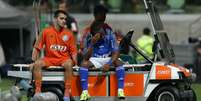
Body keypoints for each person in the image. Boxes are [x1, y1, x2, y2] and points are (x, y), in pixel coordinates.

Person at [79, 5, 125, 101]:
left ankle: (120, 90)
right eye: (102, 14)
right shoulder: (88, 33)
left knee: (119, 62)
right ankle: (85, 92)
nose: (105, 16)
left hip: (108, 58)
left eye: (105, 14)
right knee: (83, 64)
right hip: (95, 59)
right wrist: (92, 43)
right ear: (95, 15)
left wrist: (108, 64)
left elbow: (115, 52)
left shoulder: (109, 31)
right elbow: (85, 57)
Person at [32, 10, 77, 101]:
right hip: (49, 59)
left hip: (64, 59)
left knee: (69, 63)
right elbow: (37, 47)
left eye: (65, 19)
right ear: (55, 19)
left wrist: (74, 62)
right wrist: (33, 61)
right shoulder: (46, 31)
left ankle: (67, 91)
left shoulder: (69, 33)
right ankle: (38, 90)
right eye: (61, 18)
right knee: (37, 64)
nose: (64, 21)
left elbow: (73, 51)